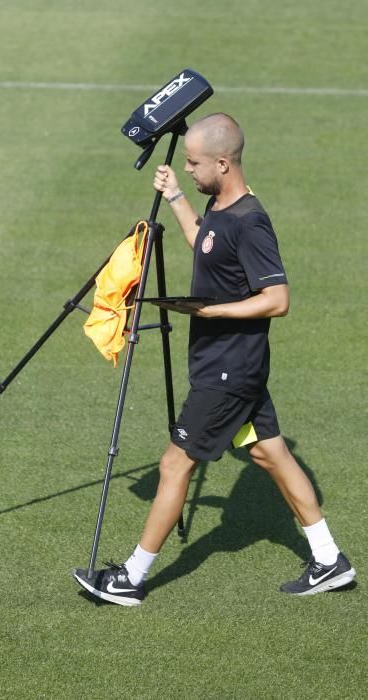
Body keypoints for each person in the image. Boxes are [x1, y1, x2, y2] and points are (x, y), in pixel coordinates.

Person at [73, 113, 355, 605]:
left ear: (223, 163)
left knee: (174, 464)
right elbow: (206, 245)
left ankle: (132, 579)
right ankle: (330, 559)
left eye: (194, 163)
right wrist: (178, 197)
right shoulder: (218, 209)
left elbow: (278, 299)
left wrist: (215, 310)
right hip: (229, 365)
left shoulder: (251, 222)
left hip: (229, 369)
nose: (190, 168)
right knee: (270, 452)